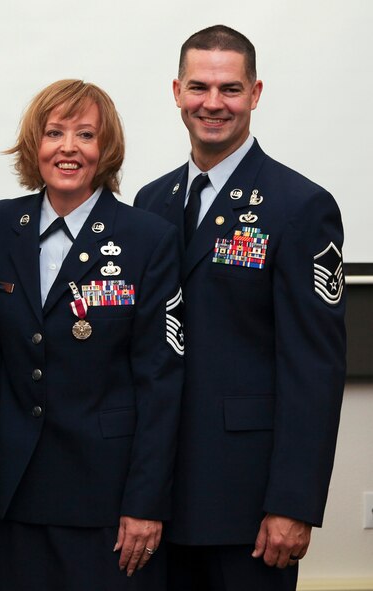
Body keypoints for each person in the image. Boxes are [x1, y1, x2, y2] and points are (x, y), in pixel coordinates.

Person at [133, 25, 346, 591]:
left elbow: (314, 368)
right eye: (199, 87)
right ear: (176, 91)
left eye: (230, 89)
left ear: (255, 94)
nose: (213, 103)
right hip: (155, 500)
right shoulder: (151, 202)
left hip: (247, 507)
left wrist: (293, 503)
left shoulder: (300, 206)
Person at [0, 79, 184, 590]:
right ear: (34, 145)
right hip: (14, 492)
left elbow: (160, 380)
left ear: (105, 149)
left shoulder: (147, 238)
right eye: (54, 133)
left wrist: (145, 503)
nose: (68, 148)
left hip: (106, 500)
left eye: (85, 135)